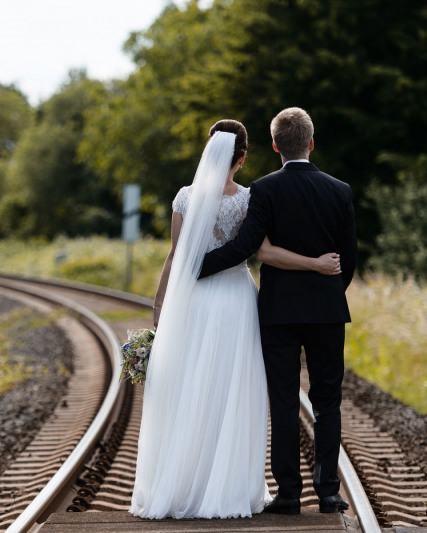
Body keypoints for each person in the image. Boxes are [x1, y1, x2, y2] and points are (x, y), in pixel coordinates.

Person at [130, 119, 340, 519]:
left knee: (192, 387)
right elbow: (260, 250)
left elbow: (175, 258)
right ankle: (229, 487)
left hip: (191, 300)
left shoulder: (184, 198)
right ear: (241, 159)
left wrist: (160, 308)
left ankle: (183, 484)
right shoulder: (249, 198)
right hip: (236, 301)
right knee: (232, 391)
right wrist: (314, 264)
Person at [199, 108, 357, 515]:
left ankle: (288, 494)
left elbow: (246, 247)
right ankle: (327, 493)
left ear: (274, 147)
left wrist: (194, 270)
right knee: (327, 402)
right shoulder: (340, 190)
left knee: (283, 400)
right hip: (326, 311)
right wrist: (325, 291)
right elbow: (349, 260)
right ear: (311, 143)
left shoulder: (264, 190)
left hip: (278, 312)